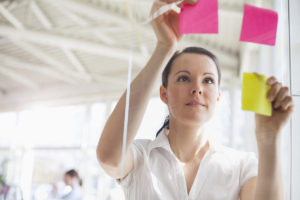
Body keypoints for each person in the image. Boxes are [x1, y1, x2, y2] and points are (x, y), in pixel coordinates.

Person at [96, 0, 294, 199]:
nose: (197, 88)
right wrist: (164, 47)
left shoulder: (240, 166)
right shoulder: (141, 157)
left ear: (218, 97)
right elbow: (109, 157)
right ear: (164, 94)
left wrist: (268, 138)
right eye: (184, 78)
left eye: (208, 80)